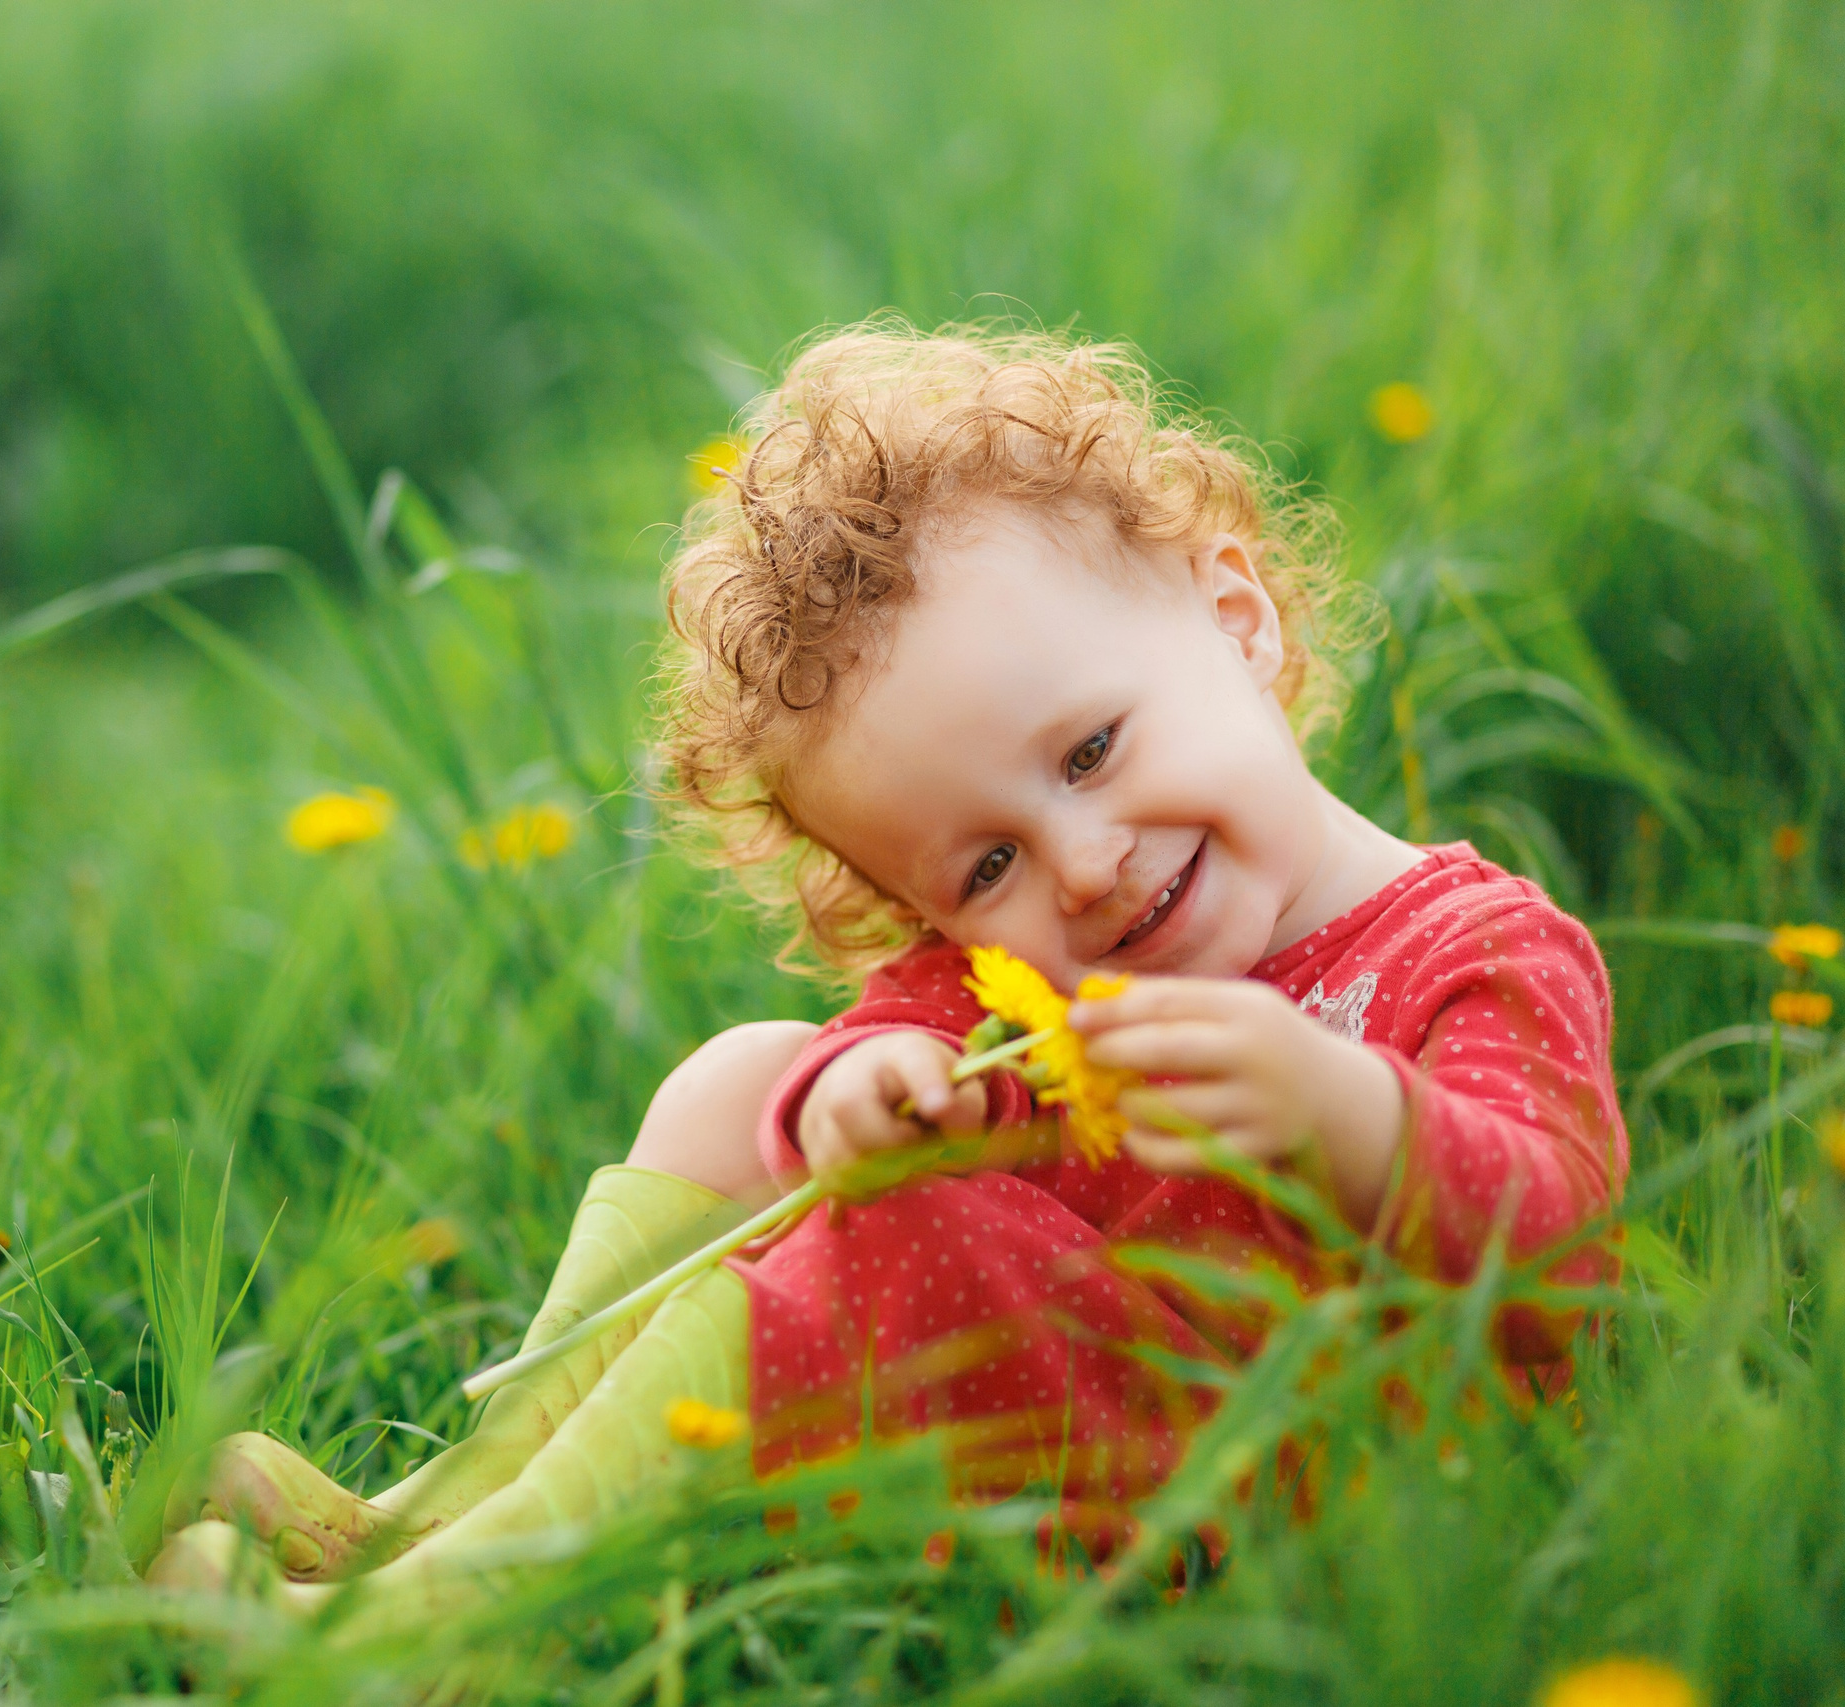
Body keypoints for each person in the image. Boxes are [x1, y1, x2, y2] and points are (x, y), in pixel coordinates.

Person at [148, 322, 1627, 1624]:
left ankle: (444, 1633)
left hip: (1306, 1500)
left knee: (895, 1245)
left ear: (1237, 622)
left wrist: (1346, 1113)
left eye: (1093, 750)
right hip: (1076, 1449)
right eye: (982, 867)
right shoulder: (1020, 974)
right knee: (745, 1081)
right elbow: (868, 1055)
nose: (1083, 865)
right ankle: (443, 1522)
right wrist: (864, 1097)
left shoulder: (1468, 951)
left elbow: (1561, 1252)